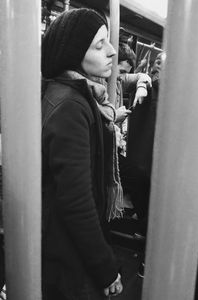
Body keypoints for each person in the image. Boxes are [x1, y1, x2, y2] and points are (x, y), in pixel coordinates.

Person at [41, 8, 124, 300]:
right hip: (68, 255)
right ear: (74, 53)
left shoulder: (69, 95)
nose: (112, 51)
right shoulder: (72, 107)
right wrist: (105, 267)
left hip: (59, 243)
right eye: (99, 45)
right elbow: (76, 199)